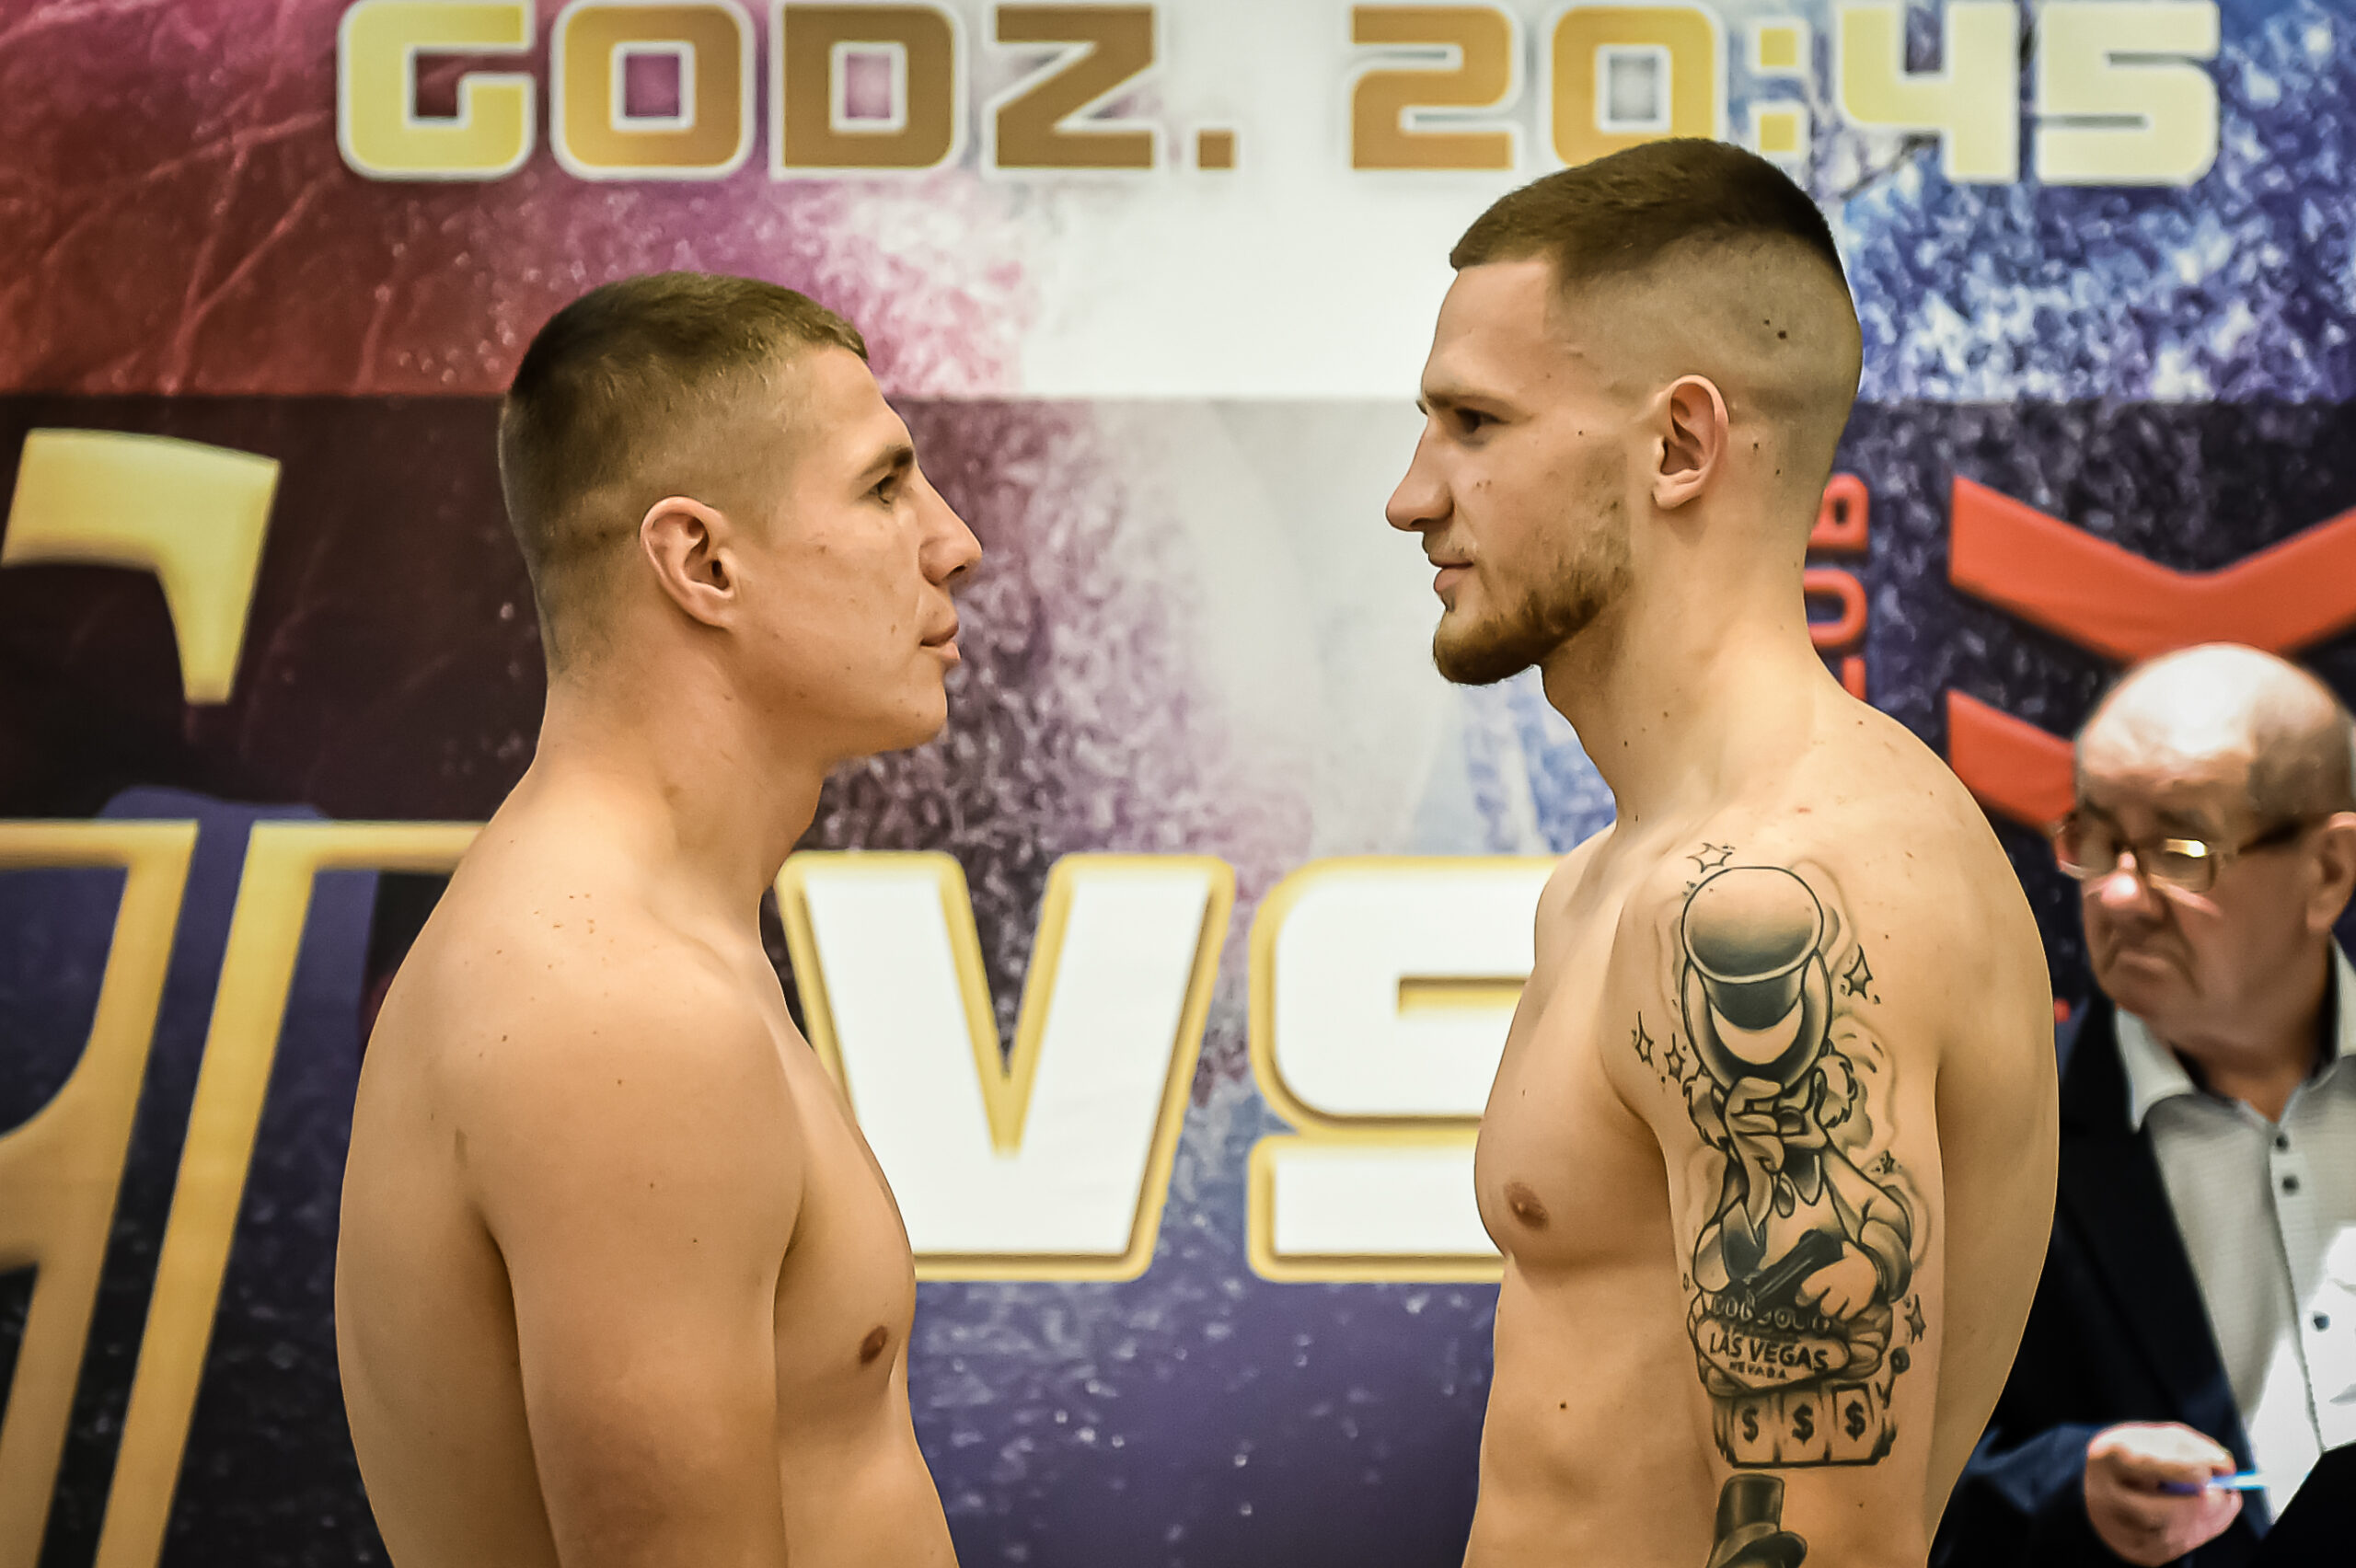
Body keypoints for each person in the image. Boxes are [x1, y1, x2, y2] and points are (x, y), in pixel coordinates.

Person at [1384, 138, 2058, 1567]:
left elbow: (1827, 1546)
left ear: (1679, 446)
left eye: (1475, 423)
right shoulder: (1618, 881)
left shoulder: (1775, 896)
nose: (1413, 495)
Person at [336, 272, 979, 1568]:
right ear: (702, 563)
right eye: (882, 486)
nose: (952, 540)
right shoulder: (615, 1007)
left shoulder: (638, 952)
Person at [1938, 644, 2356, 1568]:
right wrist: (2067, 1489)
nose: (2118, 895)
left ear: (2328, 869)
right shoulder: (1989, 1130)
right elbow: (1880, 1475)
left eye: (2179, 850)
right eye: (2094, 840)